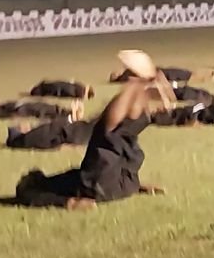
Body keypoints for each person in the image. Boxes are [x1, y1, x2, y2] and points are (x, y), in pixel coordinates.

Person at [13, 51, 171, 210]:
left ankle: (72, 203)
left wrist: (136, 82)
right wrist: (146, 81)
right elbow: (137, 113)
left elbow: (110, 125)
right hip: (125, 182)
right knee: (79, 169)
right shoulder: (139, 111)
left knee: (26, 191)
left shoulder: (37, 187)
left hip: (100, 185)